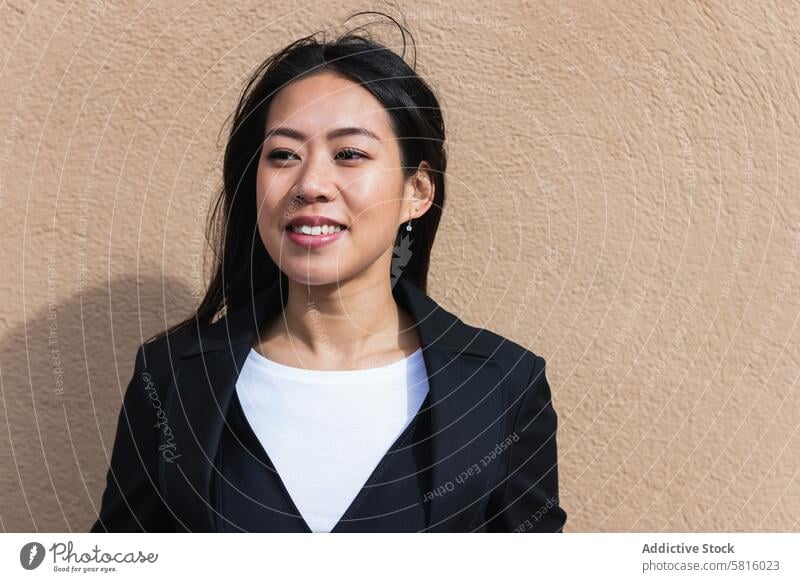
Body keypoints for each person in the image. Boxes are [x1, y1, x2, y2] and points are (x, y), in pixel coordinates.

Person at [91, 12, 566, 533]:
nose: (311, 182)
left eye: (349, 154)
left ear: (418, 191)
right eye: (283, 155)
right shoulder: (171, 378)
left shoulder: (503, 386)